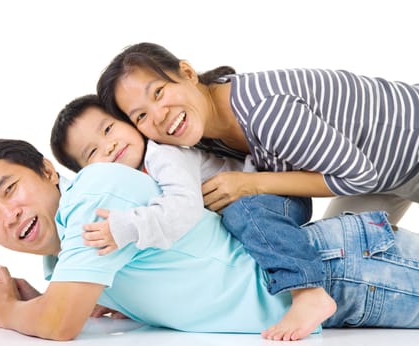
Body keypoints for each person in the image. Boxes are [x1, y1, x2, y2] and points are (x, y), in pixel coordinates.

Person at [0, 139, 419, 343]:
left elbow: (61, 323)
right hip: (338, 283)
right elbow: (65, 307)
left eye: (9, 189)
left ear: (48, 170)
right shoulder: (59, 258)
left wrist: (8, 313)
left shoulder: (93, 193)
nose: (9, 215)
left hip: (343, 270)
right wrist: (31, 299)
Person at [50, 94, 335, 339]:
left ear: (130, 122)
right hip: (255, 221)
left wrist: (126, 227)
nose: (109, 146)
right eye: (93, 151)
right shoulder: (132, 180)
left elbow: (182, 209)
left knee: (241, 210)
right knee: (238, 216)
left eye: (109, 129)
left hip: (277, 197)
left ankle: (307, 292)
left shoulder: (163, 155)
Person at [96, 42, 419, 225]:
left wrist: (252, 184)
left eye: (158, 93)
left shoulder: (266, 112)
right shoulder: (203, 132)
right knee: (337, 256)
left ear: (188, 73)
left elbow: (359, 177)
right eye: (140, 115)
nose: (159, 116)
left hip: (407, 148)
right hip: (384, 173)